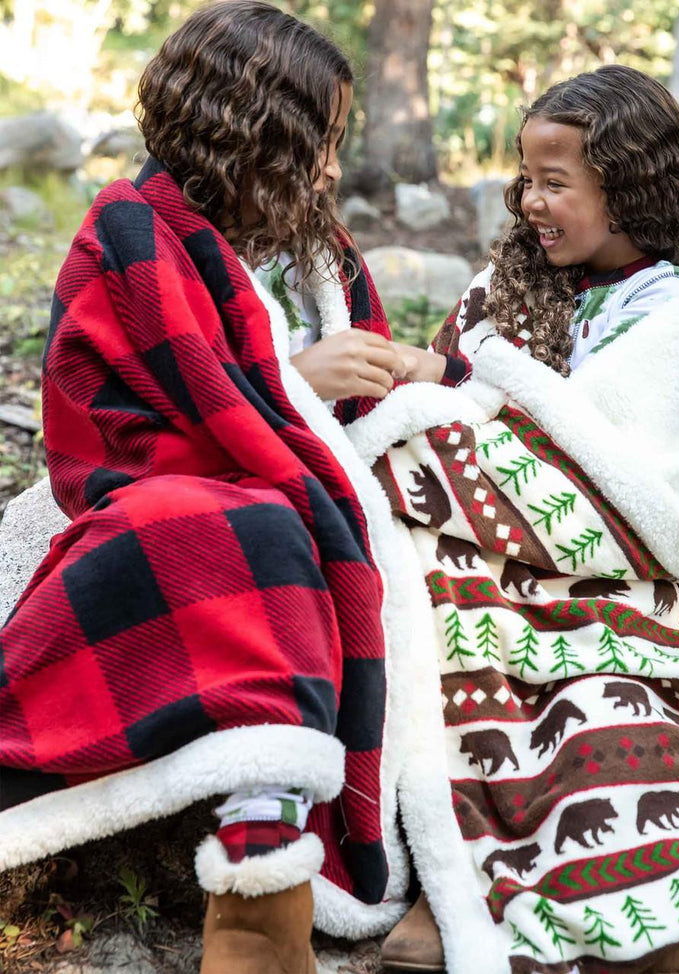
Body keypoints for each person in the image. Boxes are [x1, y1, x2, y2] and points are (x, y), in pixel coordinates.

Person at [0, 3, 452, 973]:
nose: (330, 164)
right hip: (165, 484)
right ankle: (257, 907)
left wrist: (393, 381)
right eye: (318, 139)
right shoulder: (129, 228)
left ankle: (428, 869)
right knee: (249, 535)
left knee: (372, 548)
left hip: (305, 489)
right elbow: (112, 421)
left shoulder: (315, 248)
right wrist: (299, 380)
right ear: (255, 127)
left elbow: (339, 425)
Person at [349, 65, 679, 974]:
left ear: (627, 188)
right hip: (494, 534)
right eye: (527, 179)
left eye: (557, 183)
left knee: (593, 666)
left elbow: (628, 455)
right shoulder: (508, 284)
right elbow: (457, 395)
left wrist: (470, 402)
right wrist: (435, 390)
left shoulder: (673, 311)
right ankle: (460, 875)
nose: (532, 203)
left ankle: (631, 903)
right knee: (454, 599)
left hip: (617, 553)